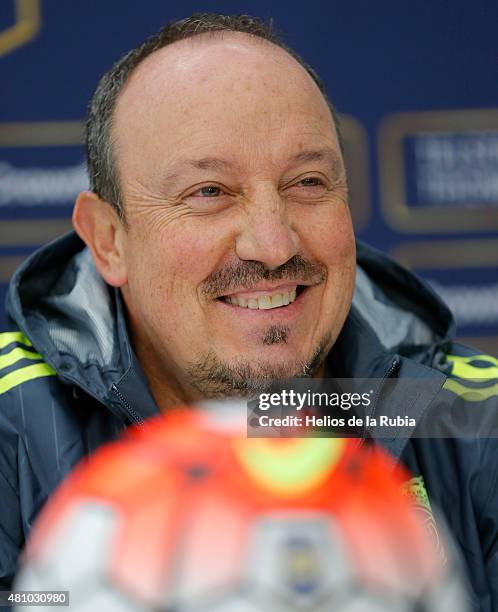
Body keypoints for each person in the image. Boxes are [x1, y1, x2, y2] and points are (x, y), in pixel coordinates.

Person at [0, 13, 496, 610]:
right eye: (209, 193)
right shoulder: (11, 431)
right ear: (109, 240)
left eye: (308, 182)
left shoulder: (478, 424)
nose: (273, 244)